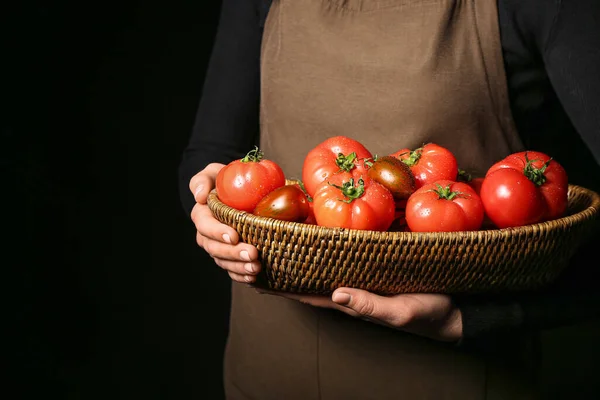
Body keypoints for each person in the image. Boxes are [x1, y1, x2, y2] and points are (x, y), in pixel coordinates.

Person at [179, 0, 600, 398]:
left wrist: (472, 318)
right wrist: (207, 207)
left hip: (458, 379)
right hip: (271, 370)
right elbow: (207, 153)